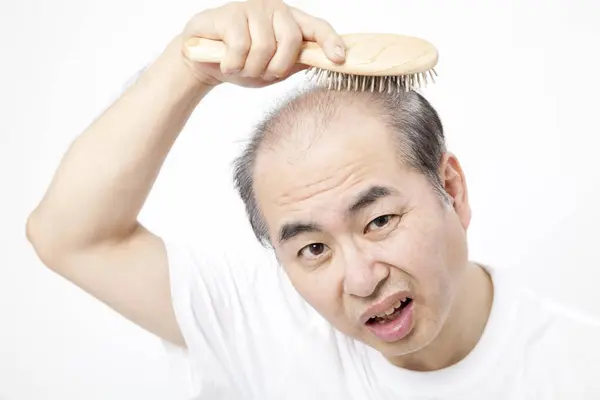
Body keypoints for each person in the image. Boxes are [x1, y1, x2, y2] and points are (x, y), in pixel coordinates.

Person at [26, 0, 600, 399]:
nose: (360, 279)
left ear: (451, 188)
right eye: (312, 249)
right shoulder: (265, 324)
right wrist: (187, 66)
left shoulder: (579, 370)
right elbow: (69, 236)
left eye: (378, 220)